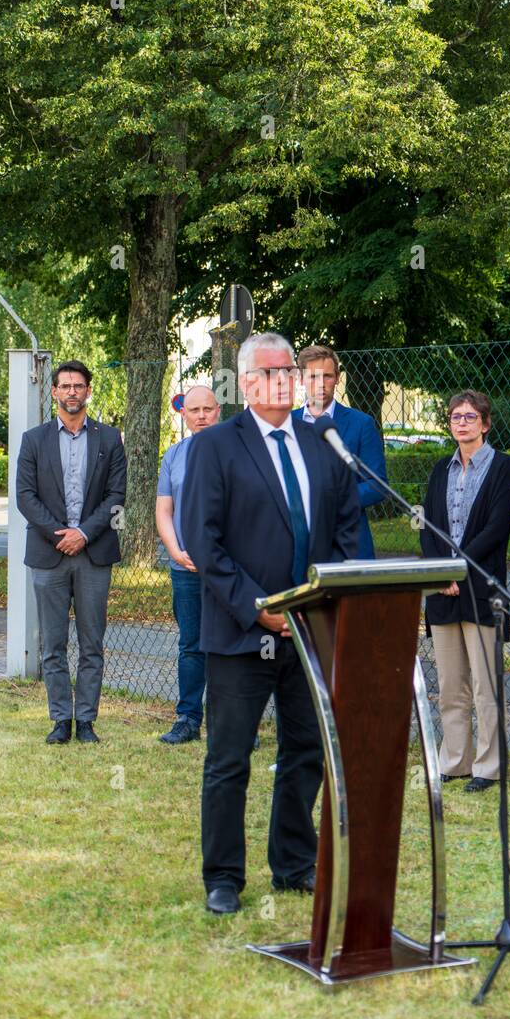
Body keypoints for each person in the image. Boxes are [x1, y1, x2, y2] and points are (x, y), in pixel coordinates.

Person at [181, 332, 360, 914]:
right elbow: (203, 543)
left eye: (292, 371)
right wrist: (260, 608)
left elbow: (345, 531)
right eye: (276, 372)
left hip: (313, 629)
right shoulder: (216, 447)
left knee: (307, 748)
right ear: (249, 383)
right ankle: (224, 877)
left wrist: (329, 598)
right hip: (242, 632)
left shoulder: (321, 442)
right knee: (230, 758)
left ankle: (294, 862)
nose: (288, 380)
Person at [15, 360, 127, 745]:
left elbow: (117, 497)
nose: (72, 392)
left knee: (92, 643)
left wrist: (83, 533)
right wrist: (59, 534)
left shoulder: (110, 439)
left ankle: (87, 721)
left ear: (88, 391)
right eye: (65, 386)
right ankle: (61, 720)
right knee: (53, 643)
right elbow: (25, 497)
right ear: (54, 393)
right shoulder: (34, 440)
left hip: (94, 553)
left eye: (79, 385)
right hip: (49, 555)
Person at [419, 390, 510, 794]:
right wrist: (440, 571)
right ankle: (454, 761)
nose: (462, 423)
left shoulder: (502, 468)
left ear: (485, 423)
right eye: (456, 417)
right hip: (443, 589)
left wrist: (458, 566)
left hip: (481, 587)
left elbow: (496, 528)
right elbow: (428, 526)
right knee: (450, 684)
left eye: (470, 417)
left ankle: (488, 766)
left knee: (485, 685)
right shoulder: (440, 469)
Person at [155, 384, 221, 743]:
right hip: (186, 568)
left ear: (218, 411)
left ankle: (232, 722)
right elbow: (164, 511)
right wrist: (175, 551)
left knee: (232, 645)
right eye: (193, 410)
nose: (200, 416)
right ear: (184, 414)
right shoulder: (173, 456)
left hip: (229, 570)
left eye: (207, 409)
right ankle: (188, 718)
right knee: (191, 644)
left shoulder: (236, 452)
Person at [293, 343, 387, 557]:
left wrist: (334, 501)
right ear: (300, 379)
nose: (320, 384)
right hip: (299, 544)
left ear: (337, 378)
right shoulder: (286, 424)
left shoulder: (361, 424)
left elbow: (377, 485)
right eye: (313, 377)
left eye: (327, 376)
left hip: (349, 542)